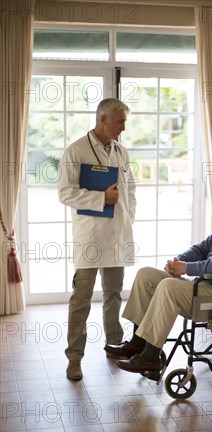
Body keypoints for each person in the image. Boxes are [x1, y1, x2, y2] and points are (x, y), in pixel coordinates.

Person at [104, 184, 212, 374]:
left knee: (169, 287)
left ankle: (150, 357)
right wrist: (179, 262)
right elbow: (201, 248)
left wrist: (187, 269)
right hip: (205, 286)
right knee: (146, 275)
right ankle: (138, 343)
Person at [58, 98, 136, 380]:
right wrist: (101, 197)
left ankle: (114, 345)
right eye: (120, 122)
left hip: (117, 234)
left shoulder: (121, 152)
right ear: (103, 120)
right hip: (90, 236)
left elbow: (130, 192)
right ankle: (74, 358)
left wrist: (129, 219)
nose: (123, 128)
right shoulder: (76, 151)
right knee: (81, 298)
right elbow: (65, 193)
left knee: (114, 294)